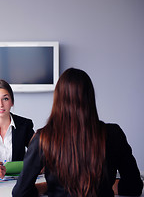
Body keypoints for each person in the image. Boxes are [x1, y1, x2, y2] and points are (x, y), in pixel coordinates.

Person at [12, 68, 143, 197]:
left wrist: (47, 187)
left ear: (58, 99)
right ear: (90, 97)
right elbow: (134, 187)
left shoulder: (43, 138)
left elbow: (20, 192)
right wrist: (108, 185)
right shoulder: (114, 133)